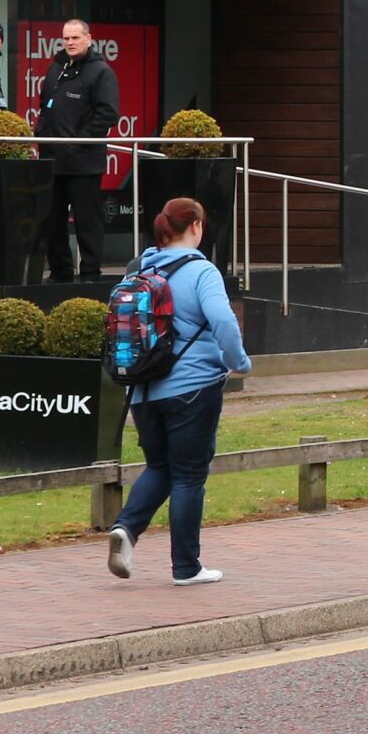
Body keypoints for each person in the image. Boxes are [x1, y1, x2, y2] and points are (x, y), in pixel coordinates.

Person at [106, 197, 248, 586]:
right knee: (188, 475)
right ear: (197, 226)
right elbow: (222, 318)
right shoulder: (201, 271)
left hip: (143, 390)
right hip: (193, 388)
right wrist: (238, 360)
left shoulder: (139, 268)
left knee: (160, 467)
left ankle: (126, 529)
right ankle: (186, 567)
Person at [36, 18, 120, 282]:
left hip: (84, 162)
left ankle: (90, 275)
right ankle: (60, 272)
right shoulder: (55, 68)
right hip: (53, 159)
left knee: (87, 222)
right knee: (52, 221)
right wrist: (41, 134)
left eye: (75, 38)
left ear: (89, 38)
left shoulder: (101, 72)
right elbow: (44, 106)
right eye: (66, 38)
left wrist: (78, 141)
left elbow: (108, 113)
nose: (70, 43)